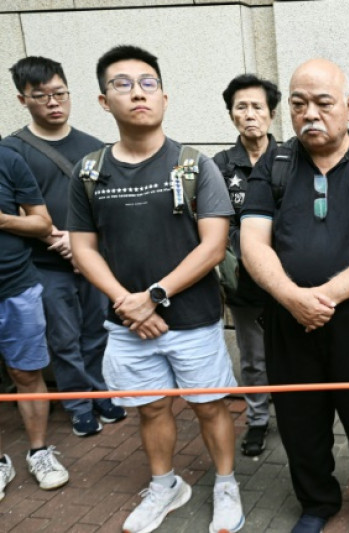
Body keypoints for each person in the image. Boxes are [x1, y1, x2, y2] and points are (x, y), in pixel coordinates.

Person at [67, 45, 243, 533]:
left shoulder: (193, 166)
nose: (137, 92)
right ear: (104, 101)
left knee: (210, 406)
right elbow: (83, 249)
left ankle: (226, 485)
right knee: (151, 409)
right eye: (122, 84)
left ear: (164, 96)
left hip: (192, 320)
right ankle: (166, 485)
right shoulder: (88, 172)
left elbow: (212, 246)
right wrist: (129, 305)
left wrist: (154, 297)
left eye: (147, 82)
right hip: (126, 325)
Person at [240, 58, 349, 533]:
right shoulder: (272, 168)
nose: (309, 114)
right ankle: (317, 502)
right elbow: (252, 242)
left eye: (323, 102)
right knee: (300, 419)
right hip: (288, 319)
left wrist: (324, 297)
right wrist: (291, 297)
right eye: (298, 105)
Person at [2, 56, 127, 438]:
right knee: (63, 338)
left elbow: (105, 205)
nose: (54, 103)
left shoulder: (92, 146)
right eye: (41, 96)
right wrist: (61, 241)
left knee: (96, 330)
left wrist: (86, 246)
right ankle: (77, 403)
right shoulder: (14, 150)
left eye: (60, 94)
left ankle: (99, 392)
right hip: (44, 263)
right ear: (23, 99)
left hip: (93, 259)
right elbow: (22, 212)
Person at [212, 73, 280, 457]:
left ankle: (294, 413)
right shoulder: (220, 166)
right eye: (242, 107)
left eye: (257, 106)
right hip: (242, 281)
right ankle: (257, 419)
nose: (250, 114)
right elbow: (214, 225)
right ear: (231, 115)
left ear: (271, 113)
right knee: (253, 356)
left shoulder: (291, 158)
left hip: (288, 279)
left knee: (292, 353)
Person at [0, 146, 70, 497]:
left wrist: (2, 219)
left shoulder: (8, 158)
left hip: (15, 287)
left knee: (26, 373)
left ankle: (39, 451)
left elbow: (42, 222)